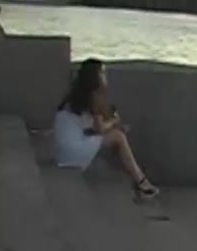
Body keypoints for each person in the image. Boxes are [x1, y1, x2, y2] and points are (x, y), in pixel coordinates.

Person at [54, 58, 158, 198]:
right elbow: (101, 129)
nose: (105, 76)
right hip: (72, 153)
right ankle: (141, 181)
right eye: (102, 73)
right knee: (119, 137)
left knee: (115, 135)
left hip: (62, 153)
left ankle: (136, 177)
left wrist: (112, 126)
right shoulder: (92, 97)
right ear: (94, 77)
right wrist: (114, 122)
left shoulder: (77, 94)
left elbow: (89, 128)